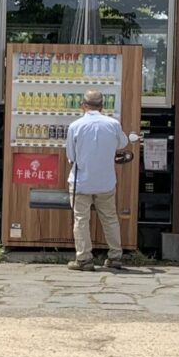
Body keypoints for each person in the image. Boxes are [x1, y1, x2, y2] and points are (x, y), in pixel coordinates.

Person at [64, 89, 129, 271]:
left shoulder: (75, 126)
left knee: (81, 219)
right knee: (109, 218)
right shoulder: (113, 124)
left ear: (83, 106)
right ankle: (115, 256)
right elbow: (123, 143)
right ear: (102, 106)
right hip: (106, 181)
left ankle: (84, 259)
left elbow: (71, 155)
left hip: (81, 181)